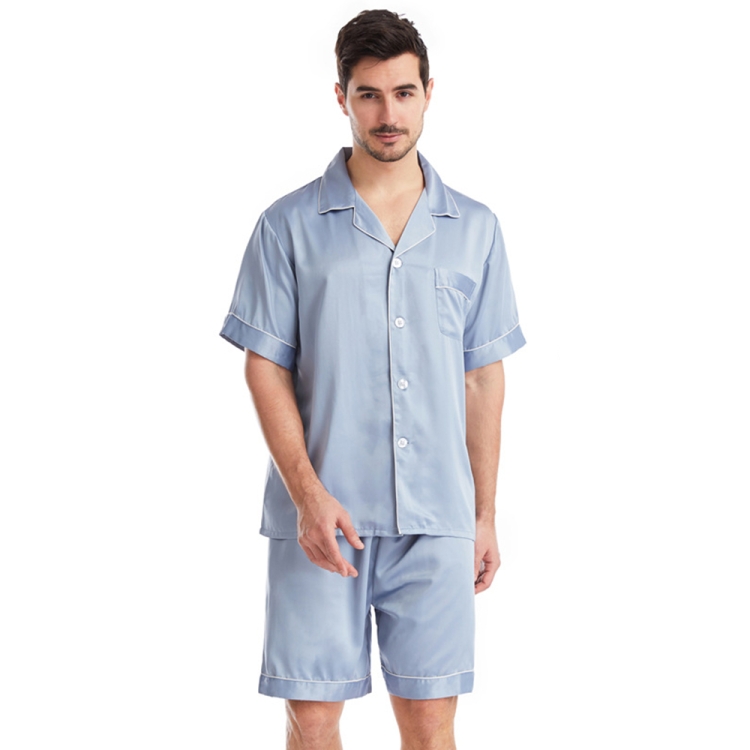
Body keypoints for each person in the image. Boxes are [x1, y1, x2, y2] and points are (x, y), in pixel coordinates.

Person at [219, 9, 526, 749]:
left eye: (403, 93)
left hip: (437, 520)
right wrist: (308, 495)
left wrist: (483, 514)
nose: (388, 114)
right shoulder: (287, 225)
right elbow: (265, 366)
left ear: (428, 93)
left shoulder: (477, 229)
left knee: (431, 721)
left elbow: (482, 378)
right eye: (369, 95)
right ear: (341, 97)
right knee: (313, 717)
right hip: (322, 519)